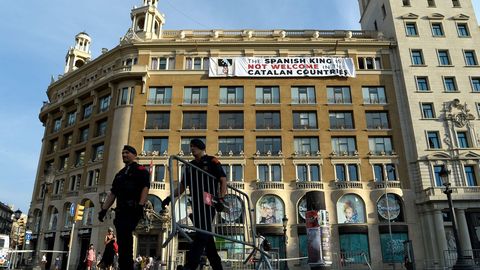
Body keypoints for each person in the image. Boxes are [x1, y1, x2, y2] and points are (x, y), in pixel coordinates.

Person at [162, 138, 227, 270]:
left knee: (201, 234)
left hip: (209, 202)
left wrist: (221, 198)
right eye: (191, 146)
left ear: (202, 147)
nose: (192, 149)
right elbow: (181, 187)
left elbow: (223, 179)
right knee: (206, 237)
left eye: (194, 146)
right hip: (196, 204)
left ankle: (190, 266)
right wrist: (169, 198)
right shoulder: (189, 165)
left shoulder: (212, 160)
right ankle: (217, 267)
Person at [98, 145, 150, 270]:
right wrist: (103, 210)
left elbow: (145, 188)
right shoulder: (119, 174)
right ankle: (124, 266)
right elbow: (113, 194)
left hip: (133, 209)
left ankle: (127, 266)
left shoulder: (141, 170)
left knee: (126, 240)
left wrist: (141, 205)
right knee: (122, 242)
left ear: (134, 155)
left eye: (127, 153)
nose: (124, 155)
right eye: (123, 153)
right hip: (121, 211)